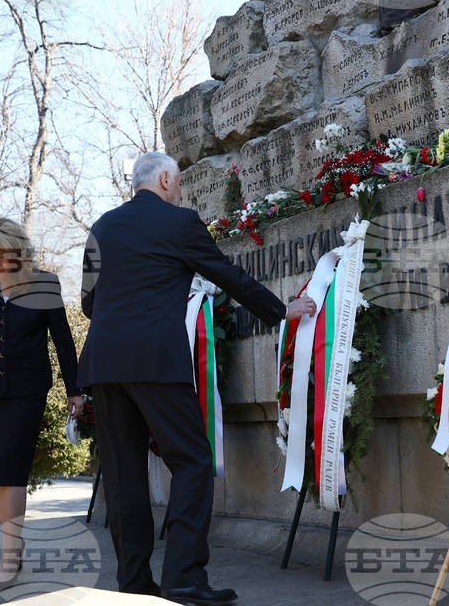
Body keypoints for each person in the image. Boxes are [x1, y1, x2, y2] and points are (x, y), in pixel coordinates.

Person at [79, 152, 315, 605]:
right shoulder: (180, 223)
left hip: (104, 365)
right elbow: (227, 275)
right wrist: (280, 310)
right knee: (191, 460)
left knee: (123, 475)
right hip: (154, 361)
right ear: (165, 179)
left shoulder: (101, 227)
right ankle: (184, 578)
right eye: (180, 181)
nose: (181, 190)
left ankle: (133, 583)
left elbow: (89, 303)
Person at [0, 218, 84, 593]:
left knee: (10, 469)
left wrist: (76, 390)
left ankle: (8, 556)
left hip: (27, 391)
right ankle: (15, 539)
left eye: (1, 256)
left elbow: (64, 342)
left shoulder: (45, 284)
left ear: (18, 253)